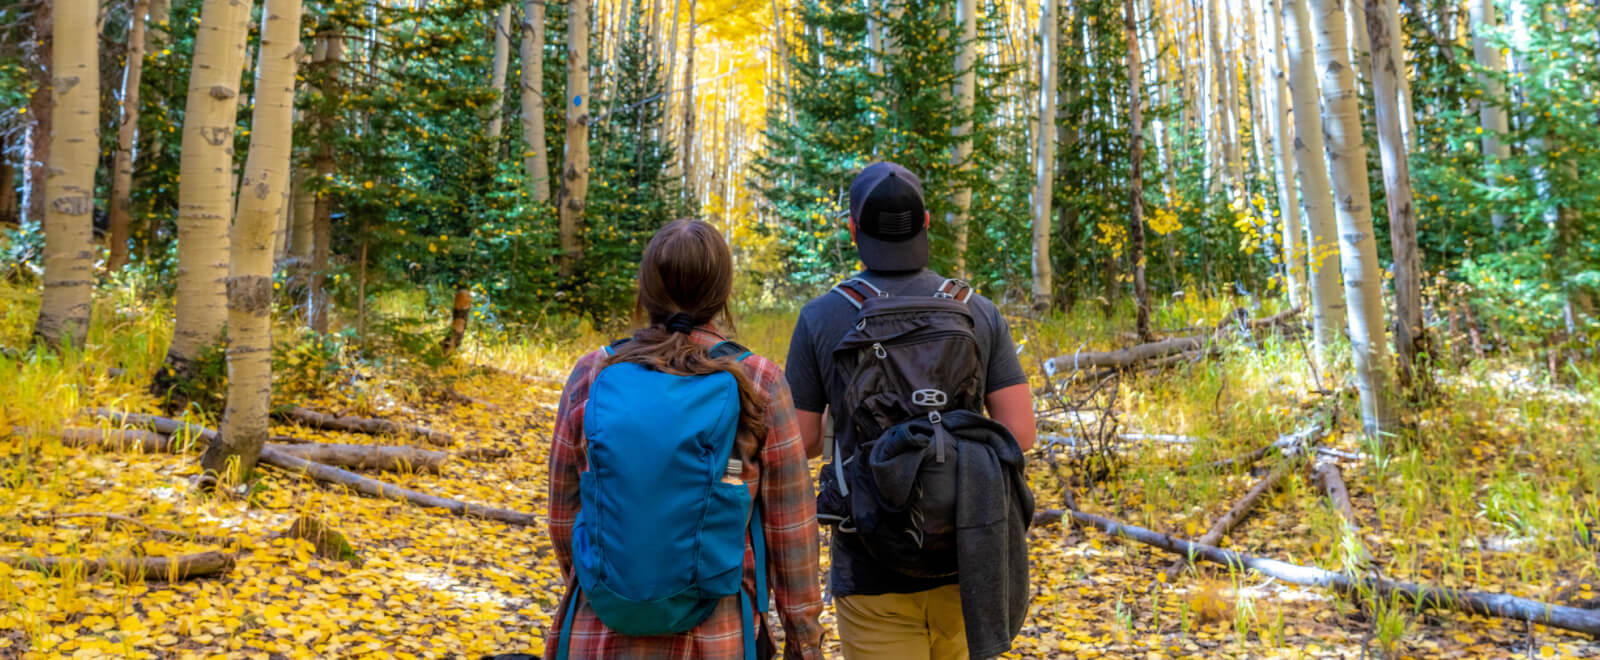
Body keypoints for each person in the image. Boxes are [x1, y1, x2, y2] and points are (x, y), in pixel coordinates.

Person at [784, 162, 1037, 660]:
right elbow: (1019, 432)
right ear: (925, 222)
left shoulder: (823, 315)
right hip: (967, 556)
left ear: (853, 229)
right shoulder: (975, 310)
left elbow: (803, 441)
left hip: (870, 567)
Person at [546, 219, 825, 660]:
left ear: (646, 288)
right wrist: (804, 642)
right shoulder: (758, 380)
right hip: (718, 634)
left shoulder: (593, 372)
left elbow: (564, 515)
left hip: (598, 632)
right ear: (721, 293)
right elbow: (791, 530)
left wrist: (613, 587)